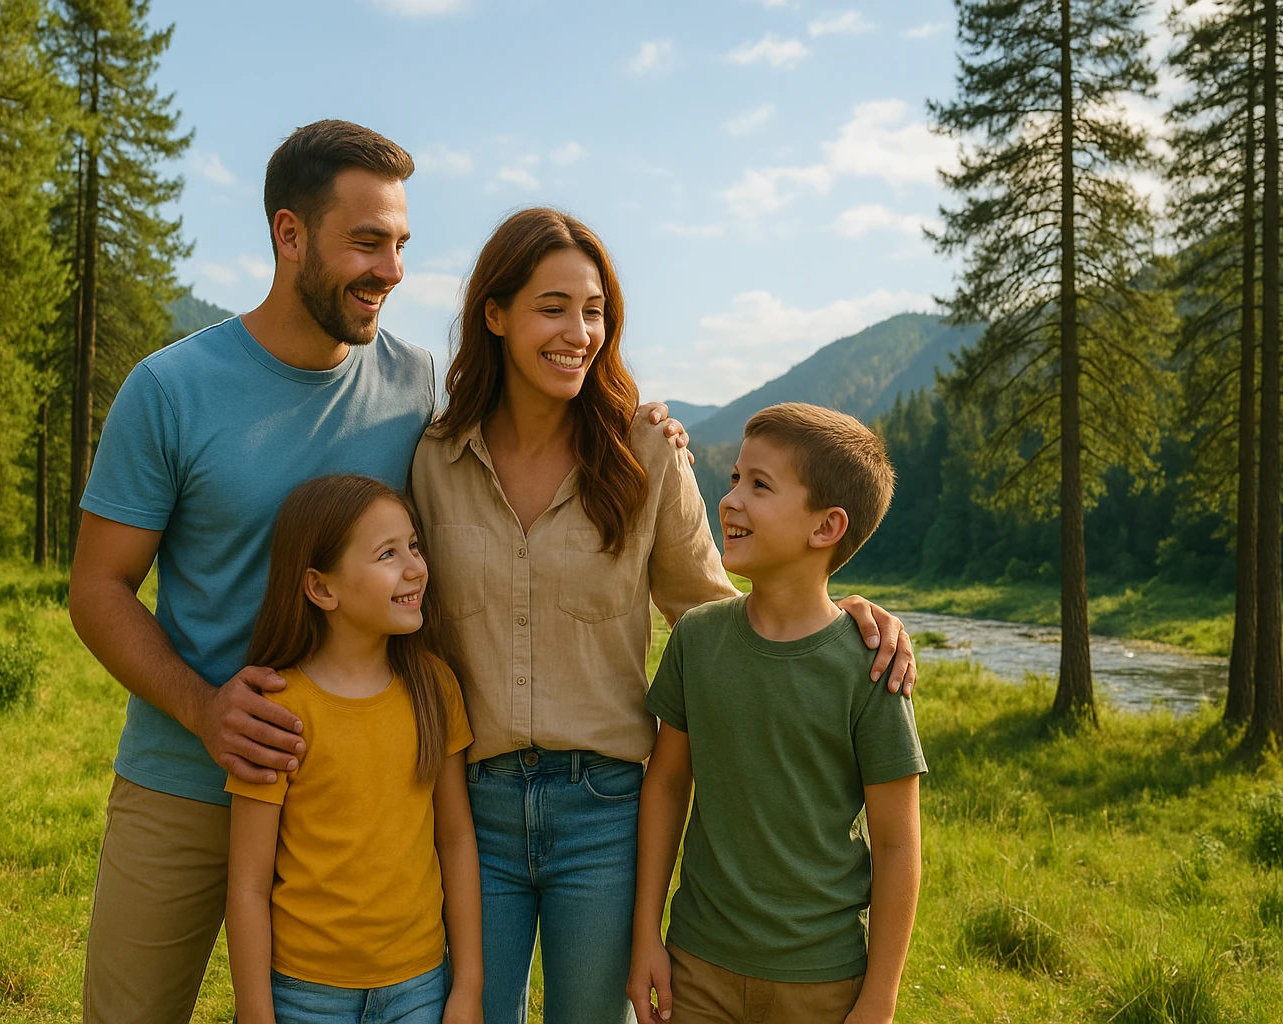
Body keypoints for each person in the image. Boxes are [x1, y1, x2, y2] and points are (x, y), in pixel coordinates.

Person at [68, 120, 692, 1023]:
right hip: (188, 774)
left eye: (400, 243)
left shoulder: (415, 390)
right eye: (366, 242)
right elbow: (96, 589)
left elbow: (515, 456)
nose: (392, 270)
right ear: (289, 236)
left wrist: (647, 424)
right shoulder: (170, 389)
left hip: (361, 798)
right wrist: (205, 709)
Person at [410, 210, 921, 1024]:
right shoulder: (433, 458)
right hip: (469, 811)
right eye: (552, 307)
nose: (578, 331)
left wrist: (842, 611)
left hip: (605, 815)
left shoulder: (644, 454)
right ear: (495, 315)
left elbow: (724, 609)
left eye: (594, 311)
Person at [627, 402, 926, 1024]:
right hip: (696, 969)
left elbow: (897, 845)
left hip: (822, 981)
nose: (731, 499)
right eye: (735, 478)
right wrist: (645, 935)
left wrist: (879, 999)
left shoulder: (871, 666)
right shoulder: (697, 638)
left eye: (759, 485)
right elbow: (666, 784)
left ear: (826, 527)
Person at [224, 475, 481, 1024]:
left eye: (414, 546)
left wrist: (469, 988)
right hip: (305, 996)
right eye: (387, 553)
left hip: (419, 987)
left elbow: (456, 839)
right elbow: (247, 883)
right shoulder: (277, 709)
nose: (415, 567)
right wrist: (255, 1012)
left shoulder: (435, 689)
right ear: (321, 588)